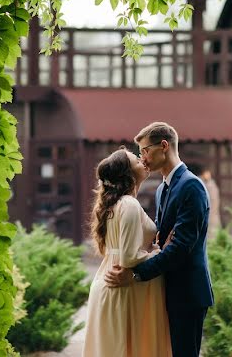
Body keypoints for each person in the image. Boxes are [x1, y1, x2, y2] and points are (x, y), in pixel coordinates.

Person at [105, 122, 214, 357]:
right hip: (165, 289)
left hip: (186, 293)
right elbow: (161, 240)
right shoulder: (161, 188)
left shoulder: (191, 186)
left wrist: (135, 274)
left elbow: (180, 247)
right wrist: (158, 246)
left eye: (145, 150)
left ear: (163, 146)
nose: (142, 158)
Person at [83, 147, 171, 357]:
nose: (142, 159)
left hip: (108, 285)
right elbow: (130, 257)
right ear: (128, 174)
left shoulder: (116, 205)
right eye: (136, 160)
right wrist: (162, 252)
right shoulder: (129, 204)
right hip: (121, 289)